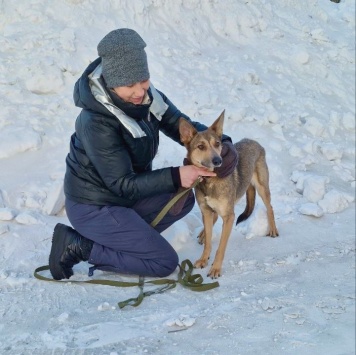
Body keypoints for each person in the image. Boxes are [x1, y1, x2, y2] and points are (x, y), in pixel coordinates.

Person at [49, 28, 231, 280]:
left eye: (143, 80)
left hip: (124, 198)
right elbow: (122, 183)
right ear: (112, 83)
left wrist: (224, 144)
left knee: (182, 200)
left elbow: (179, 123)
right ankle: (79, 245)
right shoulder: (96, 122)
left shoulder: (148, 97)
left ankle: (127, 241)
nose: (139, 91)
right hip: (94, 206)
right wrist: (177, 175)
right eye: (129, 85)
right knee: (163, 262)